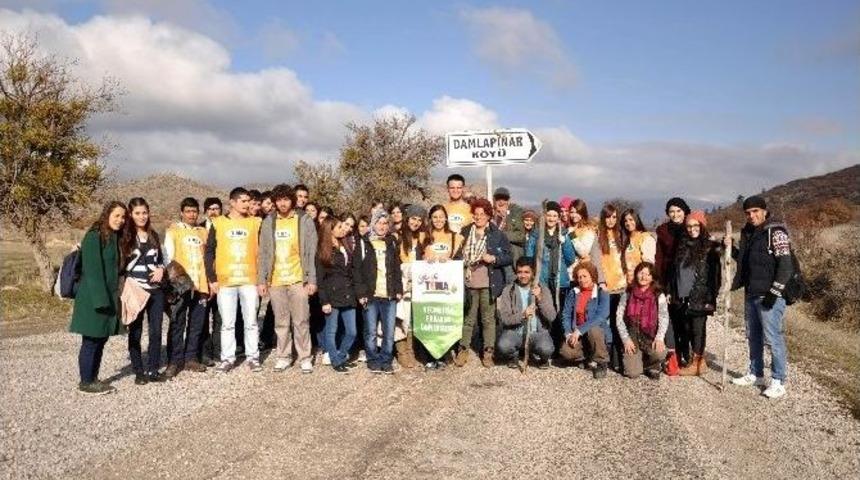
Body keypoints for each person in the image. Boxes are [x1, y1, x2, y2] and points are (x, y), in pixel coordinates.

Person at [729, 196, 794, 399]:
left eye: (756, 211)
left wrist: (774, 293)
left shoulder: (776, 232)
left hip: (770, 296)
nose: (752, 215)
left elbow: (786, 265)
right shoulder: (749, 233)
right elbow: (746, 261)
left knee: (773, 338)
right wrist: (730, 248)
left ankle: (778, 381)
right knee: (753, 336)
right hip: (752, 294)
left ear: (765, 211)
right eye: (748, 213)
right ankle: (755, 373)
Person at [257, 184, 318, 374]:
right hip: (276, 280)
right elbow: (264, 252)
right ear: (275, 202)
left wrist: (312, 280)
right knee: (281, 322)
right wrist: (262, 280)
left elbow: (311, 252)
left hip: (298, 279)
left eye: (286, 199)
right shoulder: (269, 222)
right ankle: (283, 356)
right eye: (279, 200)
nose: (283, 203)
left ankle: (305, 357)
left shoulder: (304, 220)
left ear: (292, 200)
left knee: (301, 320)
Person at [204, 187, 264, 373]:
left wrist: (262, 279)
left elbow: (263, 252)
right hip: (226, 281)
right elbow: (209, 252)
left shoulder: (256, 222)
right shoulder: (218, 223)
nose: (247, 204)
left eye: (249, 201)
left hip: (249, 280)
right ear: (232, 202)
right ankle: (227, 358)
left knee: (251, 321)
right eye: (244, 201)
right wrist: (212, 278)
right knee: (227, 323)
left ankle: (253, 357)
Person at [70, 201, 127, 395]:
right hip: (94, 299)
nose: (120, 220)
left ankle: (93, 378)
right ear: (107, 215)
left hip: (107, 298)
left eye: (123, 217)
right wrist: (102, 302)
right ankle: (85, 382)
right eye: (117, 216)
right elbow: (93, 271)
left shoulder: (112, 236)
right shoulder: (94, 236)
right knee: (91, 340)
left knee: (100, 339)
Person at [455, 198, 513, 368]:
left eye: (483, 214)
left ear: (488, 216)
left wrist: (494, 258)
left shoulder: (497, 234)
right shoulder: (464, 232)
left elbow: (508, 257)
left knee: (488, 319)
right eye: (476, 214)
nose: (479, 217)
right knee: (468, 319)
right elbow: (456, 253)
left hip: (489, 283)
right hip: (468, 282)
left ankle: (488, 351)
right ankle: (463, 349)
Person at [162, 197, 210, 378]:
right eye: (188, 211)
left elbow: (209, 258)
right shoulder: (173, 231)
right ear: (182, 212)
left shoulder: (203, 232)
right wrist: (170, 286)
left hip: (201, 285)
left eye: (194, 211)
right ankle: (174, 361)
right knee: (177, 323)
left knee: (197, 324)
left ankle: (191, 358)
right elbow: (167, 258)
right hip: (180, 286)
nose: (192, 214)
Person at [670, 211, 722, 377]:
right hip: (683, 295)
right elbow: (675, 271)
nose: (692, 229)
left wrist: (725, 244)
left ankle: (698, 363)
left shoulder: (709, 246)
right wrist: (673, 290)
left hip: (700, 295)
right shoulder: (683, 245)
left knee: (698, 329)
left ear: (702, 226)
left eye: (696, 225)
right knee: (687, 328)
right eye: (689, 226)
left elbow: (716, 275)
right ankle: (698, 360)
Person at [122, 197, 167, 385]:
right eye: (137, 213)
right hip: (135, 289)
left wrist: (161, 269)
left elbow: (163, 259)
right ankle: (139, 371)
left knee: (156, 331)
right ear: (131, 215)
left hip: (155, 291)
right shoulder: (125, 237)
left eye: (144, 212)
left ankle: (154, 369)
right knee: (136, 331)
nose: (142, 216)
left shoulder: (154, 235)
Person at [316, 216, 367, 373]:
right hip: (332, 295)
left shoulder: (345, 245)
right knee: (331, 331)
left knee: (352, 331)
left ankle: (341, 355)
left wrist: (358, 292)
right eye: (339, 227)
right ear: (329, 230)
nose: (342, 229)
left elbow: (352, 271)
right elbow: (320, 278)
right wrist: (324, 301)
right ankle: (336, 361)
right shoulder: (322, 250)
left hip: (348, 294)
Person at [358, 210, 403, 374]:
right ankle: (372, 359)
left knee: (389, 331)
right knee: (370, 331)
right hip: (371, 295)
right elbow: (358, 270)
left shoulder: (391, 243)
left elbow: (396, 268)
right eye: (379, 223)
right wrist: (361, 293)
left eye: (385, 223)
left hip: (389, 294)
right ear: (373, 224)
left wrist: (398, 289)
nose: (382, 226)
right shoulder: (364, 243)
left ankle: (386, 359)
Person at [496, 257, 556, 369]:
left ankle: (543, 359)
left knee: (546, 348)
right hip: (515, 332)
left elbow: (551, 316)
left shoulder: (543, 289)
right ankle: (513, 356)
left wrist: (540, 298)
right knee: (504, 345)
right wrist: (522, 315)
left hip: (536, 333)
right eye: (519, 272)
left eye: (526, 272)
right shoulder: (508, 290)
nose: (523, 275)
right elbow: (504, 319)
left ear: (533, 273)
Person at [616, 262, 669, 379]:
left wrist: (660, 338)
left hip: (649, 336)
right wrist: (626, 339)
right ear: (636, 274)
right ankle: (638, 361)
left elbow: (664, 318)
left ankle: (651, 365)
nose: (644, 277)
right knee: (633, 373)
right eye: (641, 273)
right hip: (632, 336)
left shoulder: (658, 295)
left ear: (652, 278)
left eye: (648, 274)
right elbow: (619, 317)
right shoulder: (628, 293)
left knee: (660, 353)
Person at [560, 262, 611, 379]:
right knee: (566, 352)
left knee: (594, 329)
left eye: (585, 276)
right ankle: (587, 357)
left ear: (592, 276)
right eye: (579, 277)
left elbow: (601, 316)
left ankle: (601, 362)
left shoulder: (602, 292)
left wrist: (579, 330)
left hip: (597, 335)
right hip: (579, 335)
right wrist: (568, 333)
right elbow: (566, 315)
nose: (582, 280)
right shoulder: (574, 292)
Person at [655, 197, 691, 367]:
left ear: (685, 212)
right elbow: (659, 258)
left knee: (688, 318)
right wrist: (661, 284)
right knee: (673, 317)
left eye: (678, 211)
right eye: (671, 211)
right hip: (670, 278)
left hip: (690, 278)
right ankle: (675, 353)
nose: (675, 214)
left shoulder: (692, 227)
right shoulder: (663, 231)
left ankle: (690, 351)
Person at [394, 204, 429, 369]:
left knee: (414, 318)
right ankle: (402, 352)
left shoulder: (422, 237)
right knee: (402, 316)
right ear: (407, 218)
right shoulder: (398, 236)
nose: (415, 222)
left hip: (418, 282)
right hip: (402, 282)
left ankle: (411, 349)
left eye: (419, 220)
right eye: (413, 218)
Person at [525, 201, 575, 311]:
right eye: (549, 215)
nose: (551, 219)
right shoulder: (536, 235)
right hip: (542, 280)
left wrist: (565, 242)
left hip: (560, 280)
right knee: (544, 311)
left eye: (554, 216)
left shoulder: (563, 234)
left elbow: (571, 258)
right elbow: (528, 258)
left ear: (558, 218)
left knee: (560, 312)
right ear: (544, 216)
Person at [596, 204, 627, 372]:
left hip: (621, 286)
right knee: (604, 322)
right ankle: (603, 357)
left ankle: (618, 358)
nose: (611, 220)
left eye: (614, 217)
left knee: (618, 321)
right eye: (608, 217)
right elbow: (597, 261)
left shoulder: (620, 235)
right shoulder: (599, 235)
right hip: (606, 286)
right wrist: (601, 281)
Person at [199, 196, 223, 365]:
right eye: (211, 209)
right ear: (206, 211)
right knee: (203, 317)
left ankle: (219, 350)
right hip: (203, 279)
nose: (214, 212)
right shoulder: (198, 229)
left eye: (217, 208)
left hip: (222, 278)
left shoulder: (225, 227)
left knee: (221, 316)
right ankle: (205, 352)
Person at [492, 187, 525, 279]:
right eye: (498, 198)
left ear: (508, 200)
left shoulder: (516, 213)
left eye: (504, 198)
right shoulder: (489, 214)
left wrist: (501, 234)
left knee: (510, 284)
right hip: (494, 259)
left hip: (510, 259)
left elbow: (521, 236)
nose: (501, 202)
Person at [620, 209, 656, 285]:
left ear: (636, 220)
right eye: (625, 221)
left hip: (642, 284)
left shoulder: (645, 237)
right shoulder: (627, 240)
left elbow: (649, 264)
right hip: (629, 285)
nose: (628, 223)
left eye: (631, 219)